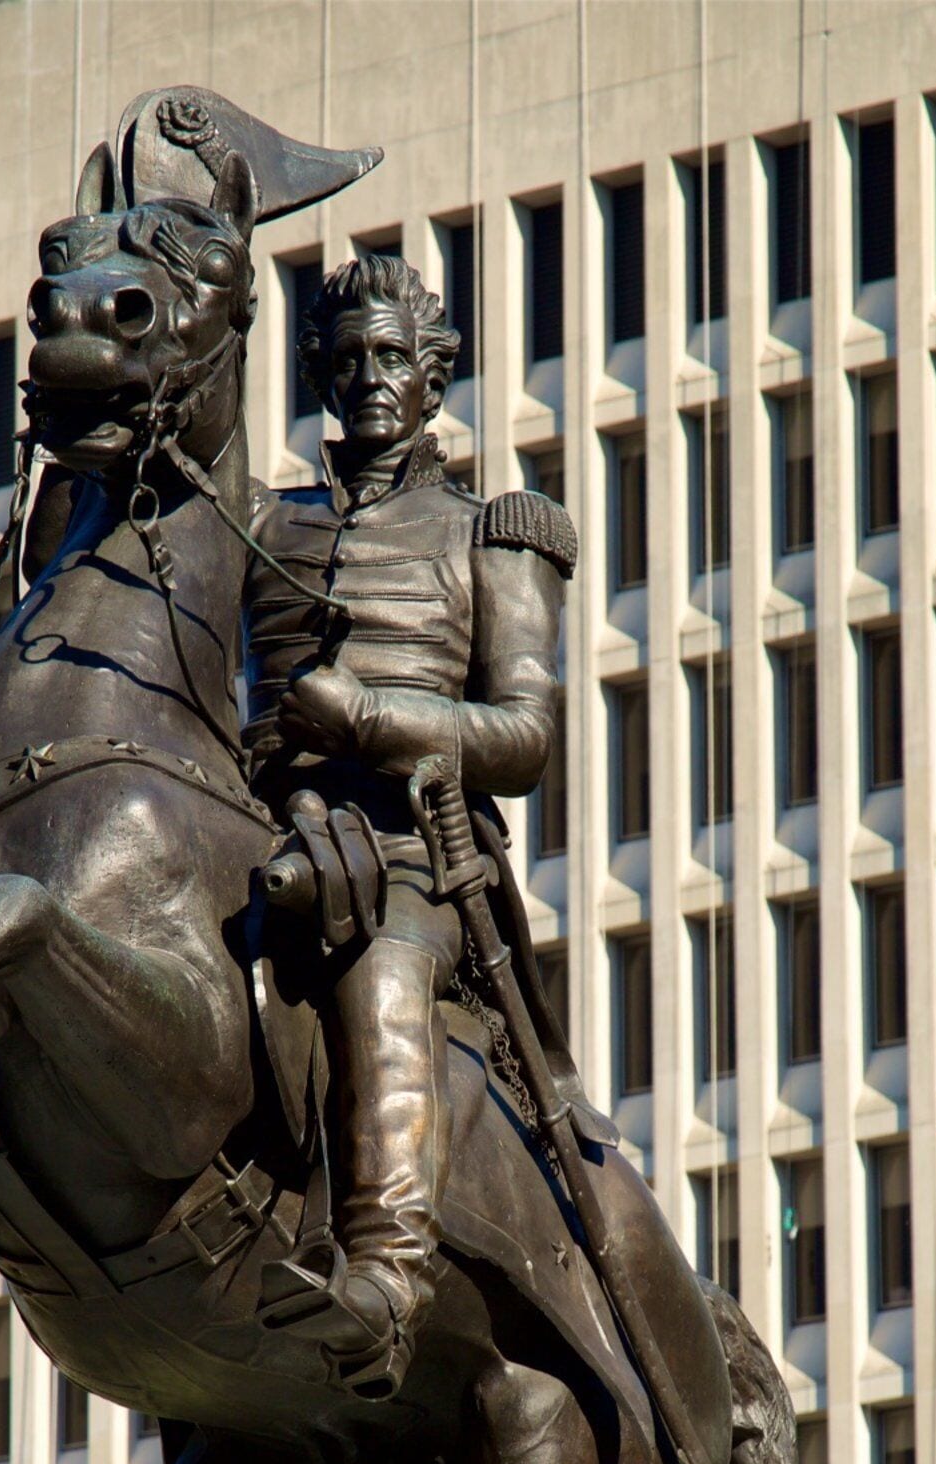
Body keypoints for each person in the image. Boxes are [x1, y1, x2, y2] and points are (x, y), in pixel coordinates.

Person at [245, 252, 575, 1397]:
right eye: (346, 359)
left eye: (392, 355)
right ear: (320, 379)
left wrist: (371, 720)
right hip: (262, 835)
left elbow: (524, 737)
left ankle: (386, 1277)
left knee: (380, 968)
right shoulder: (261, 528)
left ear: (434, 376)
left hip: (409, 858)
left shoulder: (495, 535)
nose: (369, 377)